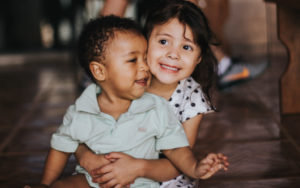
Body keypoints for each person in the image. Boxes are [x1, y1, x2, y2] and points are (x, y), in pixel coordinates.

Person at [25, 15, 228, 188]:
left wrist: (195, 168)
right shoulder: (81, 110)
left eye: (143, 57)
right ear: (99, 71)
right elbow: (61, 147)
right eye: (133, 60)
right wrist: (46, 184)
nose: (144, 67)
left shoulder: (155, 107)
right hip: (92, 180)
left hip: (140, 182)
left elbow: (175, 149)